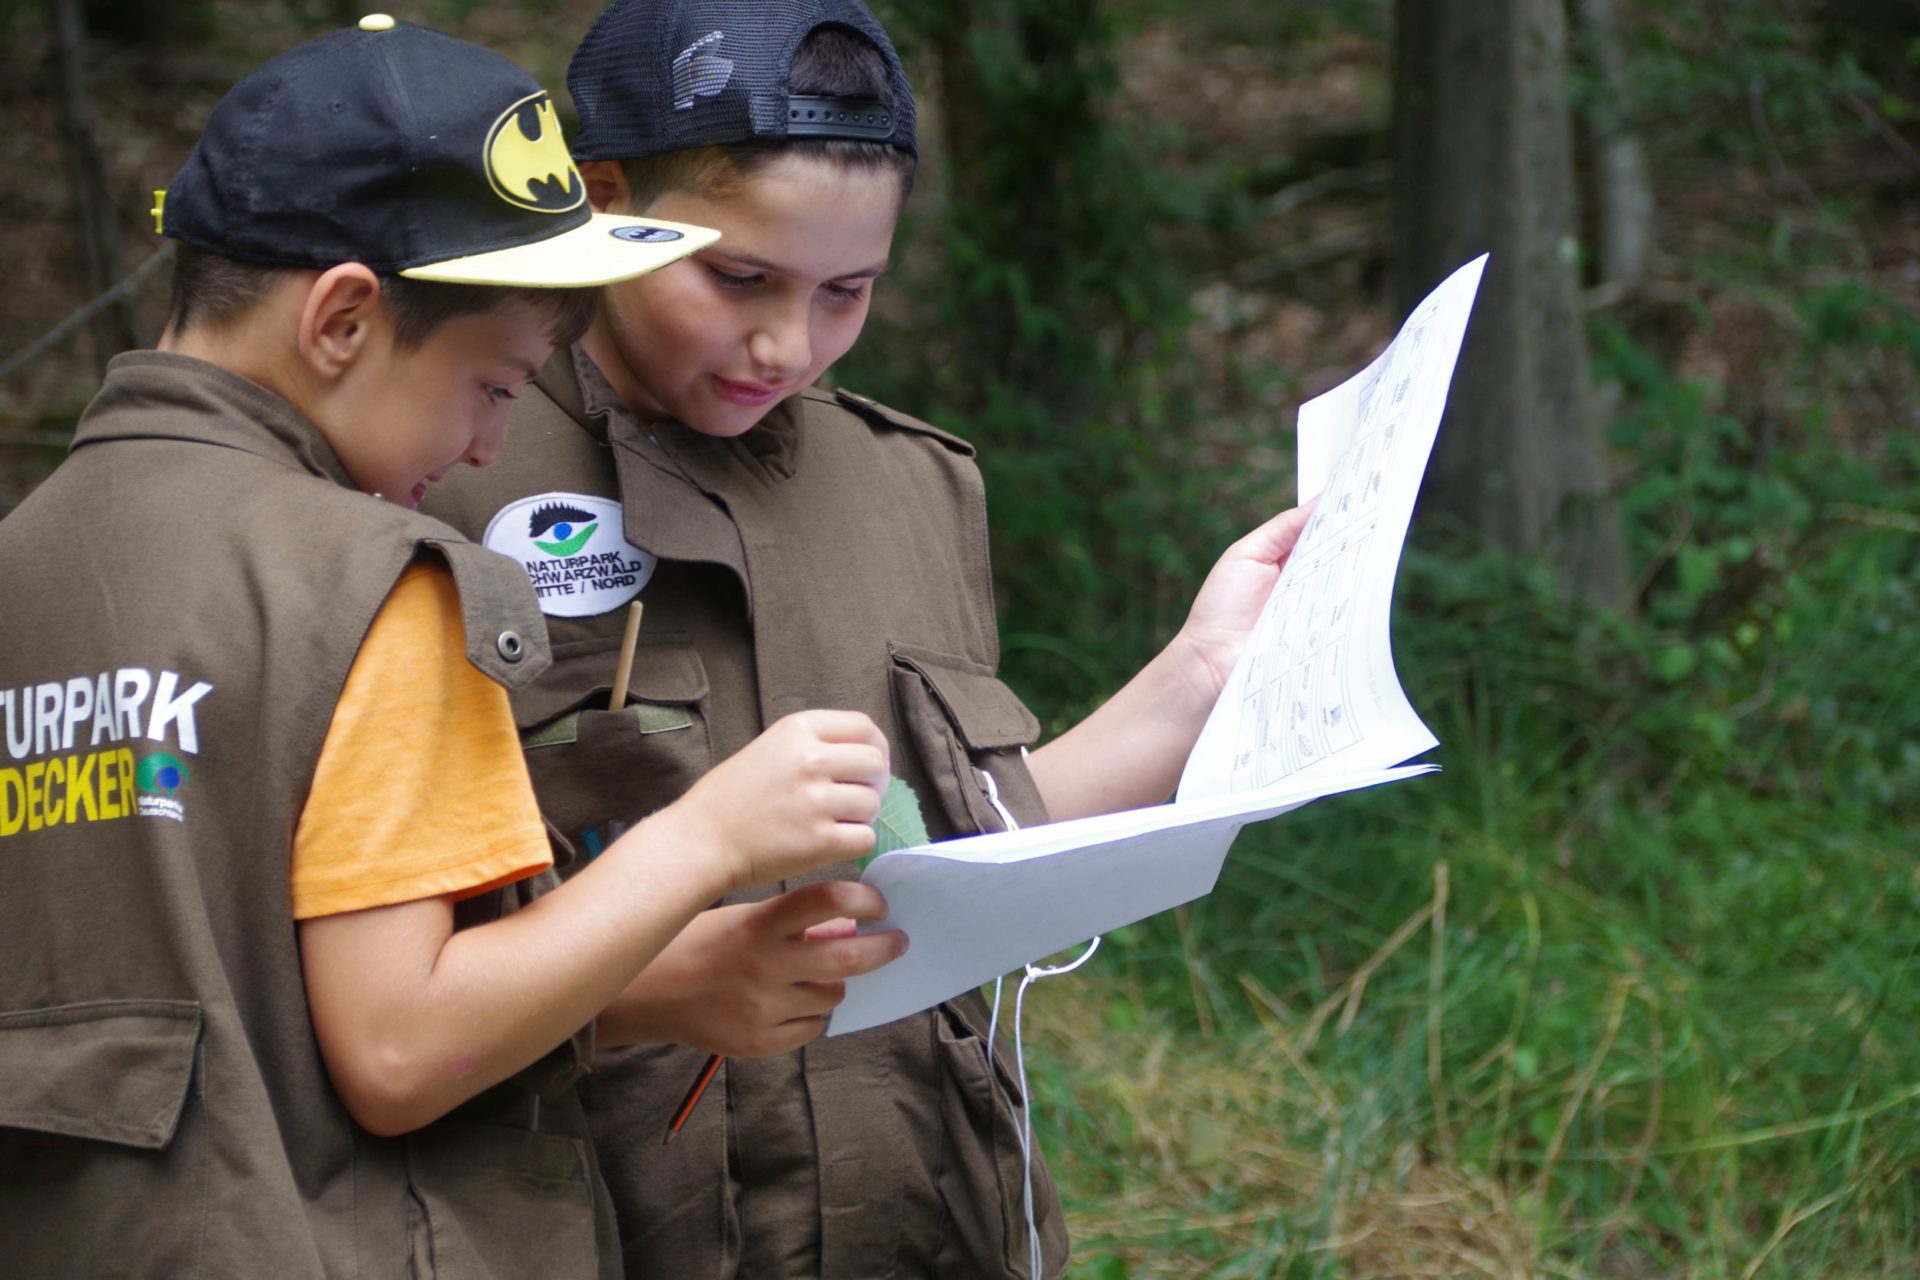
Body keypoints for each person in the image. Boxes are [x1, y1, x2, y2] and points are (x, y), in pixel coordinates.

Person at [0, 15, 897, 1278]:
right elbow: (400, 1047)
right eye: (494, 386)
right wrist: (709, 838)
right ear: (342, 319)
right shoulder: (372, 581)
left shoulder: (31, 556)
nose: (487, 447)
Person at [422, 2, 1312, 1276]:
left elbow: (954, 852)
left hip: (921, 1213)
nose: (788, 346)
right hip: (598, 1217)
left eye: (848, 292)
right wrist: (650, 983)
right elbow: (361, 973)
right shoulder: (449, 467)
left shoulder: (911, 487)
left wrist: (1200, 674)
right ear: (603, 201)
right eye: (738, 279)